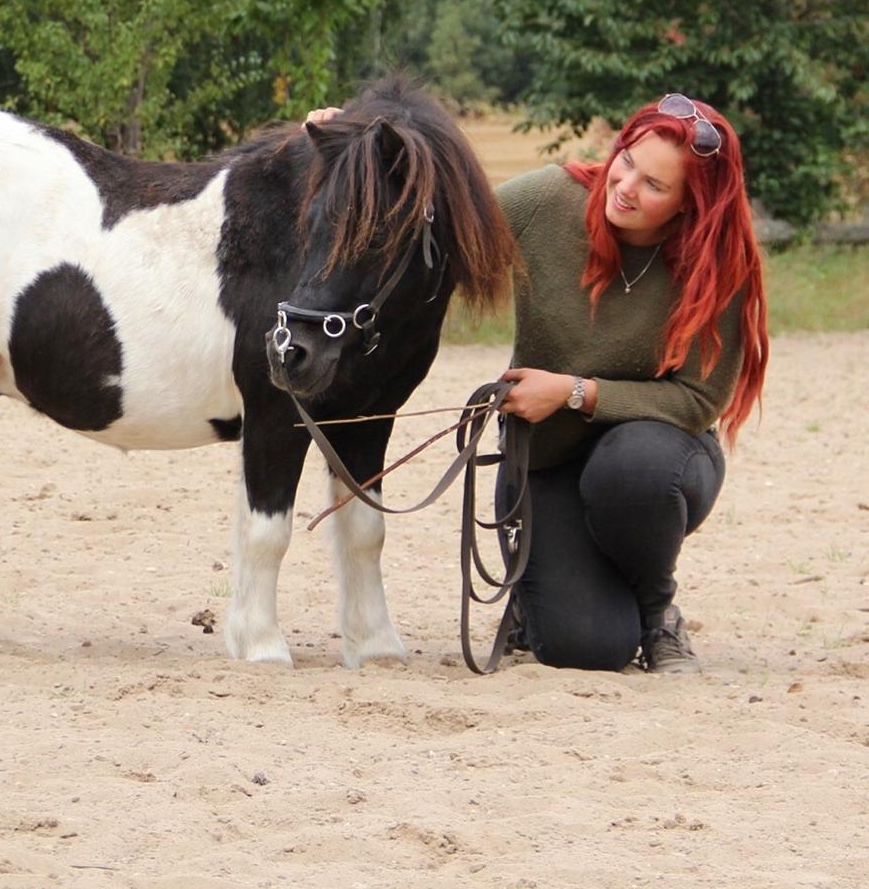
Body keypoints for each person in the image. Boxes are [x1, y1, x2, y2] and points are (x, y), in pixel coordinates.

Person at [309, 92, 769, 673]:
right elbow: (437, 212)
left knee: (632, 472)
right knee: (586, 648)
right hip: (545, 463)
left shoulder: (714, 264)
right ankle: (561, 603)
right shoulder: (550, 199)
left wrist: (574, 392)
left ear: (689, 206)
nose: (625, 186)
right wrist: (351, 151)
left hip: (660, 456)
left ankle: (657, 616)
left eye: (655, 186)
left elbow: (700, 399)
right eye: (626, 160)